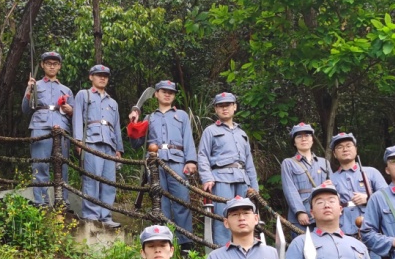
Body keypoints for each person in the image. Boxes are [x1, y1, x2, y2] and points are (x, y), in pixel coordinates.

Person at [130, 81, 198, 246]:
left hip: (177, 162)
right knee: (160, 203)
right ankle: (165, 241)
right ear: (156, 94)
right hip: (155, 164)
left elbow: (188, 138)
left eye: (171, 92)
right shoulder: (149, 117)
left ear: (174, 96)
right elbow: (136, 144)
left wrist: (190, 161)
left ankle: (185, 244)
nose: (167, 94)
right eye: (163, 91)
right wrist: (133, 123)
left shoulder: (181, 115)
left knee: (182, 202)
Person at [198, 93, 259, 246]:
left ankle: (246, 248)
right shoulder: (210, 131)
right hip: (221, 178)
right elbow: (203, 155)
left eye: (228, 105)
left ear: (235, 107)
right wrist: (207, 178)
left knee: (245, 216)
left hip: (242, 179)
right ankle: (223, 251)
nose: (225, 108)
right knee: (224, 216)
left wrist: (254, 187)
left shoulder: (242, 134)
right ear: (216, 109)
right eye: (220, 105)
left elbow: (249, 163)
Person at [72, 64, 123, 228]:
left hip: (109, 143)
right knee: (92, 179)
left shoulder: (113, 102)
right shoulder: (83, 94)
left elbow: (116, 126)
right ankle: (91, 216)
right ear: (91, 77)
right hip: (91, 141)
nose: (102, 78)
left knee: (109, 182)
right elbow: (77, 118)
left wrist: (118, 149)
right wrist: (78, 141)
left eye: (105, 76)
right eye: (98, 75)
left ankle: (106, 216)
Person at [22, 51, 74, 207]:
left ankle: (62, 201)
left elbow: (74, 114)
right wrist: (29, 90)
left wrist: (70, 109)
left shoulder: (67, 90)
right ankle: (41, 202)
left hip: (62, 127)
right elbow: (25, 110)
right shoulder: (34, 85)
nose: (52, 66)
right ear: (42, 65)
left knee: (62, 166)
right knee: (40, 164)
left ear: (59, 66)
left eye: (55, 63)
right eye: (48, 63)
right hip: (40, 126)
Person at [329, 132, 386, 236]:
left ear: (356, 149)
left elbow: (388, 198)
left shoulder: (371, 172)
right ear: (334, 154)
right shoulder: (330, 179)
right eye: (340, 147)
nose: (345, 149)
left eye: (348, 145)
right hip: (343, 230)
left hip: (372, 228)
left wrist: (369, 198)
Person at [280, 123, 332, 230]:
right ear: (294, 142)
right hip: (302, 216)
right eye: (299, 136)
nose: (304, 139)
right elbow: (289, 189)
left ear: (312, 140)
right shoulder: (289, 163)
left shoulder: (324, 162)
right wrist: (300, 211)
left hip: (323, 212)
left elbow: (333, 189)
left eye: (307, 135)